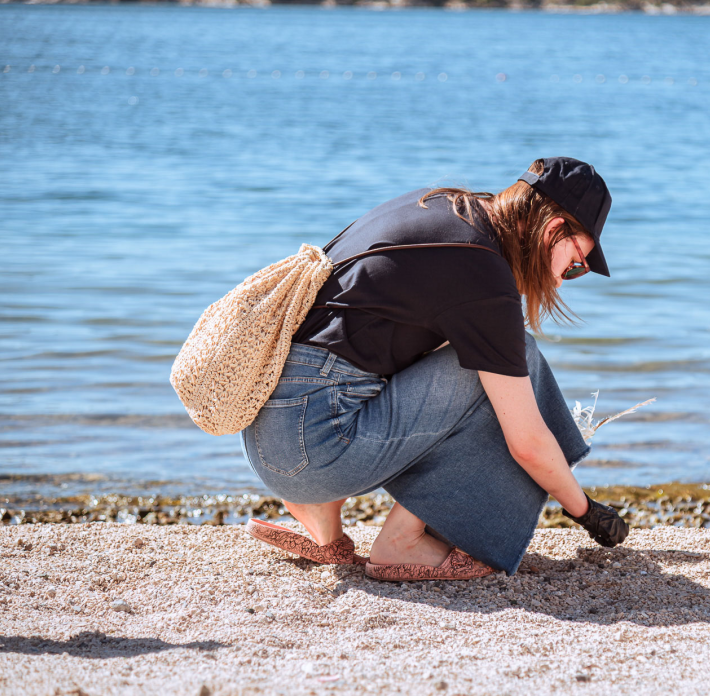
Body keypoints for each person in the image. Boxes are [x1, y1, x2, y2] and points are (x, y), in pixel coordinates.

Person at [240, 157, 629, 581]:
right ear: (553, 229)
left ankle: (324, 524)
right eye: (573, 266)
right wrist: (587, 512)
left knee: (473, 354)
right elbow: (528, 444)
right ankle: (401, 542)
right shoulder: (482, 271)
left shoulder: (442, 207)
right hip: (311, 450)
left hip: (267, 432)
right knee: (517, 363)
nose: (559, 281)